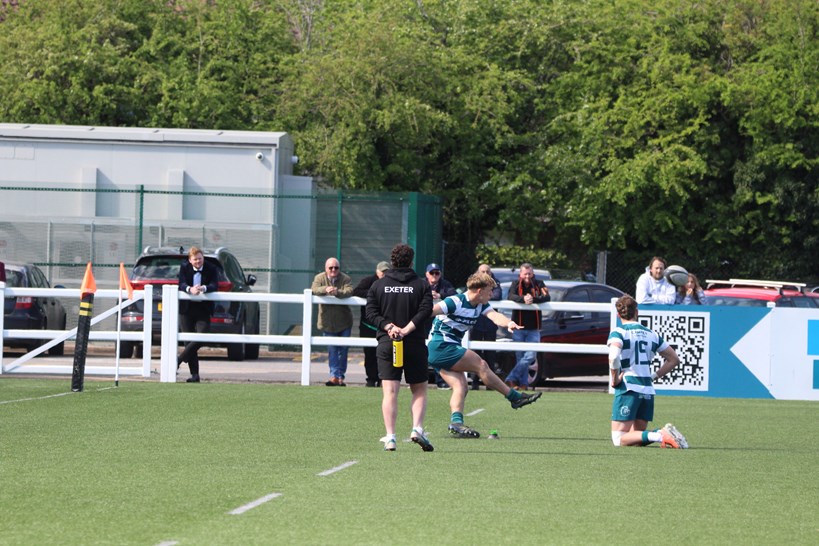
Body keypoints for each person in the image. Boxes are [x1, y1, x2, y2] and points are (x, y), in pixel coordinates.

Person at [429, 272, 542, 438]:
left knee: (461, 386)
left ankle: (456, 424)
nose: (491, 294)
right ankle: (514, 397)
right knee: (481, 365)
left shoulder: (480, 305)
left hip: (445, 349)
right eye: (489, 291)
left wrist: (509, 323)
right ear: (479, 291)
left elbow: (495, 316)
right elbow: (428, 312)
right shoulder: (454, 301)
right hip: (441, 346)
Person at [365, 244, 434, 452]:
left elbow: (370, 313)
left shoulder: (379, 285)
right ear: (411, 261)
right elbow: (426, 310)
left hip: (388, 342)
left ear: (392, 261)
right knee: (419, 389)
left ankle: (391, 437)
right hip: (414, 343)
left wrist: (389, 327)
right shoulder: (421, 285)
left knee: (390, 391)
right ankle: (417, 429)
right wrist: (406, 329)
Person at [607, 294, 689, 448]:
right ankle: (661, 433)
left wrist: (615, 378)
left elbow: (613, 357)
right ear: (637, 312)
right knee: (635, 440)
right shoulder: (651, 334)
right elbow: (674, 360)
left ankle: (660, 435)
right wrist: (653, 376)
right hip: (647, 390)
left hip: (629, 388)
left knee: (619, 439)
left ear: (618, 315)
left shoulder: (619, 332)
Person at [177, 246, 219, 383]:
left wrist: (204, 288)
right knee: (188, 341)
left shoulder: (211, 268)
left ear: (203, 258)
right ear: (190, 260)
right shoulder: (184, 267)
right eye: (195, 259)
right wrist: (190, 289)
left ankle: (178, 360)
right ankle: (195, 375)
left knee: (201, 336)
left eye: (200, 259)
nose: (198, 262)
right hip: (186, 309)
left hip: (203, 308)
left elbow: (214, 285)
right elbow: (181, 283)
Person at [505, 263, 550, 390]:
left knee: (530, 356)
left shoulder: (539, 283)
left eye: (529, 273)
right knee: (520, 357)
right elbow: (510, 296)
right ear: (520, 274)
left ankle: (511, 378)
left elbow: (547, 296)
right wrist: (523, 299)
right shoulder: (515, 284)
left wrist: (533, 299)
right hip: (518, 326)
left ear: (533, 273)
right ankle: (523, 384)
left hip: (534, 328)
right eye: (525, 274)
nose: (527, 276)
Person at [312, 257, 354, 386]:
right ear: (326, 269)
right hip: (327, 322)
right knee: (332, 350)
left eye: (336, 267)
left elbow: (349, 291)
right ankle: (334, 376)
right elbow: (314, 289)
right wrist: (325, 289)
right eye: (331, 268)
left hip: (344, 321)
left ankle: (340, 376)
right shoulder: (319, 278)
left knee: (343, 350)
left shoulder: (345, 278)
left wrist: (337, 292)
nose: (333, 270)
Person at [353, 260, 391, 387]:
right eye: (382, 271)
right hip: (367, 325)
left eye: (386, 271)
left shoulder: (391, 282)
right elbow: (356, 291)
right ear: (377, 271)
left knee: (383, 353)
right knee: (369, 353)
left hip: (383, 325)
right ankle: (370, 379)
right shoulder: (368, 281)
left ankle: (381, 378)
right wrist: (373, 293)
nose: (384, 274)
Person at [422, 262, 457, 389]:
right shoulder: (421, 284)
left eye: (437, 273)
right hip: (423, 321)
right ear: (427, 274)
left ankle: (441, 381)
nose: (434, 275)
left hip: (439, 322)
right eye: (432, 273)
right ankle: (421, 379)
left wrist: (440, 295)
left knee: (439, 350)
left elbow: (455, 297)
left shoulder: (445, 285)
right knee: (421, 351)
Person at [468, 263, 503, 388]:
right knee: (475, 354)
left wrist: (483, 296)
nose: (486, 274)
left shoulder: (495, 283)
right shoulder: (474, 283)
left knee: (490, 354)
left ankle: (490, 384)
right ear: (478, 273)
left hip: (490, 325)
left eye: (488, 271)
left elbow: (497, 295)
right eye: (483, 272)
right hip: (476, 324)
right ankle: (474, 382)